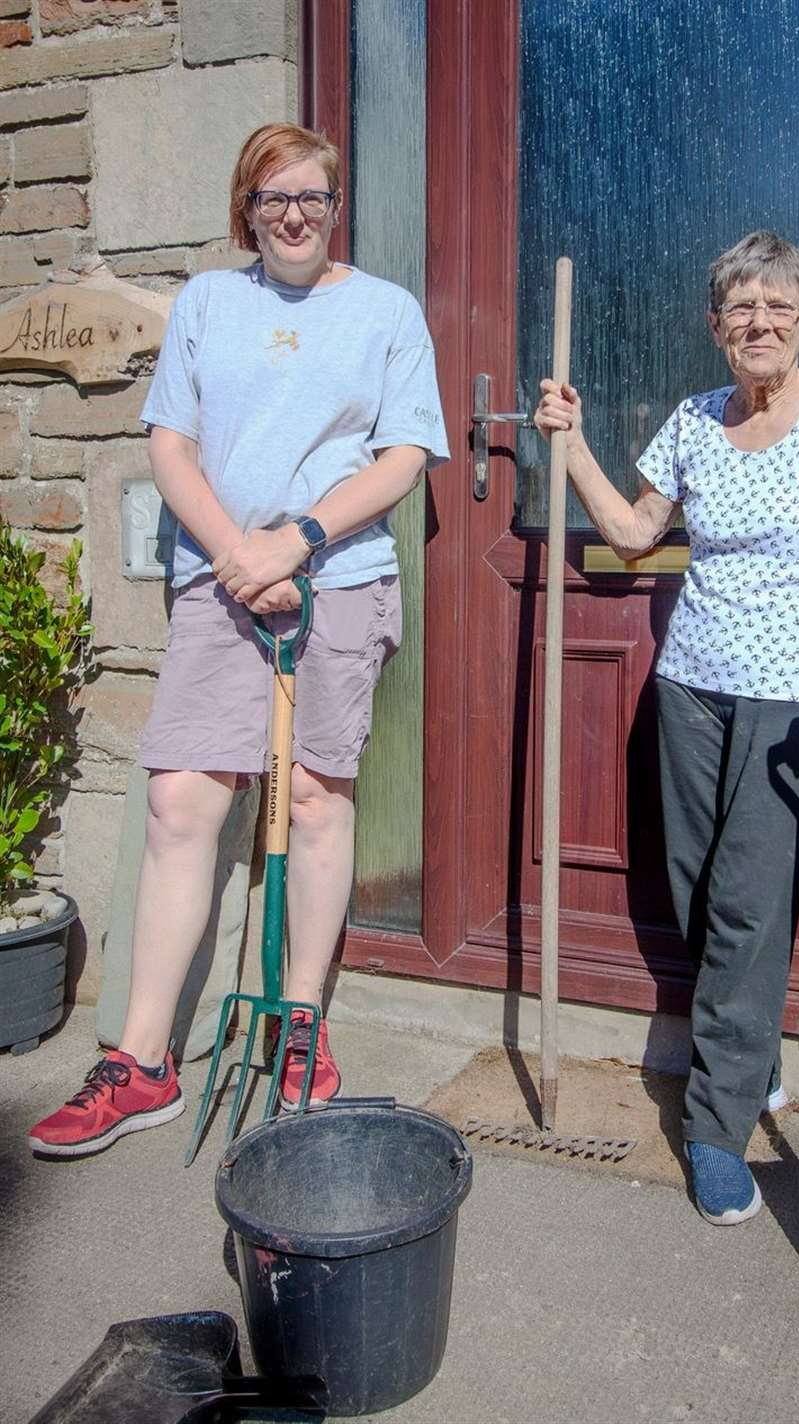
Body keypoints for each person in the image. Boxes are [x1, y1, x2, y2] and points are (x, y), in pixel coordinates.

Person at [29, 123, 449, 1158]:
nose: (294, 215)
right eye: (274, 200)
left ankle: (302, 1018)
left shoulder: (387, 311)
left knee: (312, 794)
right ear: (246, 210)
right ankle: (140, 1060)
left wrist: (298, 540)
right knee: (182, 798)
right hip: (221, 581)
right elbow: (170, 443)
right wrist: (238, 554)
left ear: (335, 205)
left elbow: (402, 459)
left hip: (337, 578)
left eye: (312, 197)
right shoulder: (212, 303)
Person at [534, 230, 799, 1225]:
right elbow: (636, 534)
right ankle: (753, 1054)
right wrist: (570, 446)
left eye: (779, 306)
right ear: (715, 325)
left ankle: (714, 1127)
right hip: (689, 687)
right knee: (695, 889)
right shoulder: (691, 419)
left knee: (750, 904)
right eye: (740, 307)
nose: (758, 321)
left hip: (797, 698)